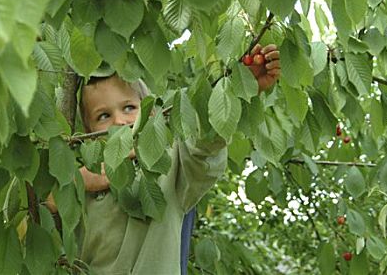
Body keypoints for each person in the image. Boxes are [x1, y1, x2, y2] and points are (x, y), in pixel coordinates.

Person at [50, 43, 280, 274]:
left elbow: (205, 142)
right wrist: (79, 182)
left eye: (129, 108)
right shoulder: (81, 183)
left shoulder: (171, 166)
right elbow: (36, 211)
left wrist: (237, 88)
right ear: (88, 133)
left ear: (151, 113)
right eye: (103, 115)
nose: (119, 121)